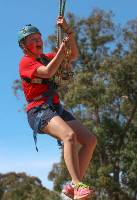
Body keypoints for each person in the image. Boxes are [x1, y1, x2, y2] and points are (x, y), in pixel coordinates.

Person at [18, 16, 97, 200]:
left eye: (39, 38)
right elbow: (48, 72)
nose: (38, 41)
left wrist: (68, 32)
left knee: (90, 140)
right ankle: (78, 185)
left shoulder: (47, 57)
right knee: (68, 136)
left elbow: (73, 55)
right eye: (33, 40)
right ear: (24, 46)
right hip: (38, 110)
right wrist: (61, 52)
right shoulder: (26, 62)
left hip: (54, 107)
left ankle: (72, 185)